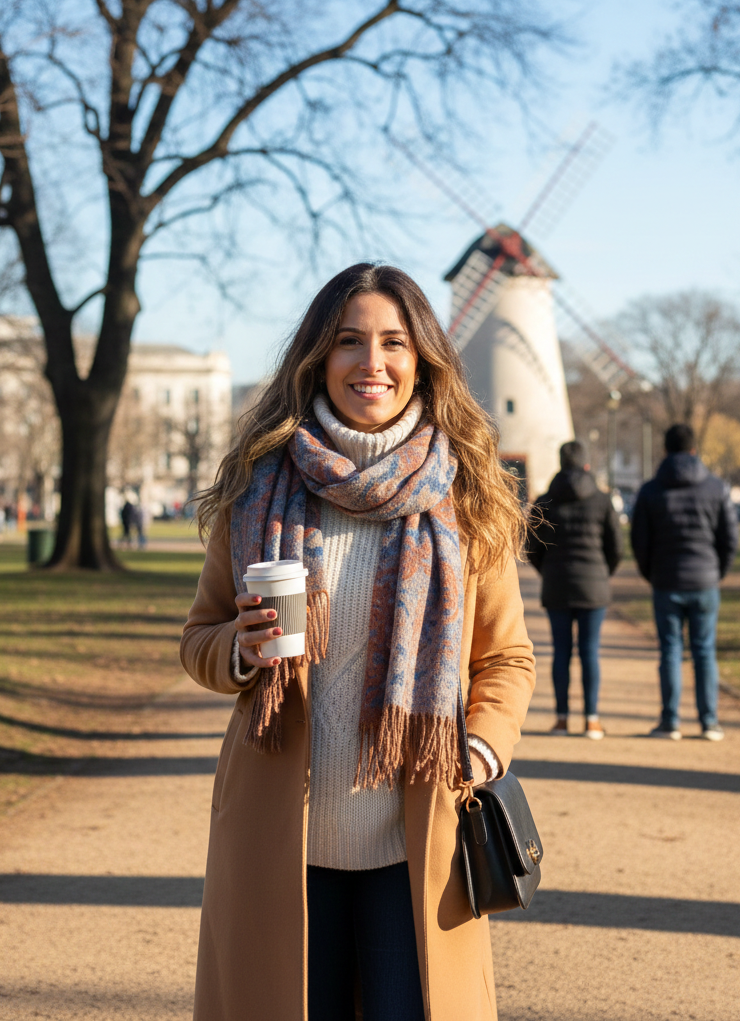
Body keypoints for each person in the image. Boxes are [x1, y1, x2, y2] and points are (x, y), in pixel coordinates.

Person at [180, 263, 536, 1021]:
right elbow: (199, 638)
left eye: (392, 343)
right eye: (348, 341)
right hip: (280, 836)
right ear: (317, 355)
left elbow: (505, 659)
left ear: (422, 359)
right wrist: (240, 649)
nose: (370, 363)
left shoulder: (465, 495)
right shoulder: (258, 487)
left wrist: (477, 751)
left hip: (415, 838)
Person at [631, 423, 739, 741]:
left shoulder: (651, 490)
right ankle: (709, 722)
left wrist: (651, 573)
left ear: (665, 449)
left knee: (670, 651)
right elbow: (730, 538)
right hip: (705, 580)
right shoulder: (716, 488)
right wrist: (716, 571)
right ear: (694, 449)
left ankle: (670, 721)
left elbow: (640, 541)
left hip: (666, 580)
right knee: (704, 651)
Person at [527, 440, 622, 739]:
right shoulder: (602, 499)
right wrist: (602, 572)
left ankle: (561, 719)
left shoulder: (545, 500)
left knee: (561, 653)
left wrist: (548, 571)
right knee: (590, 652)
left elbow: (532, 547)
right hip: (593, 586)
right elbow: (616, 547)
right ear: (586, 465)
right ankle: (592, 720)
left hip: (557, 584)